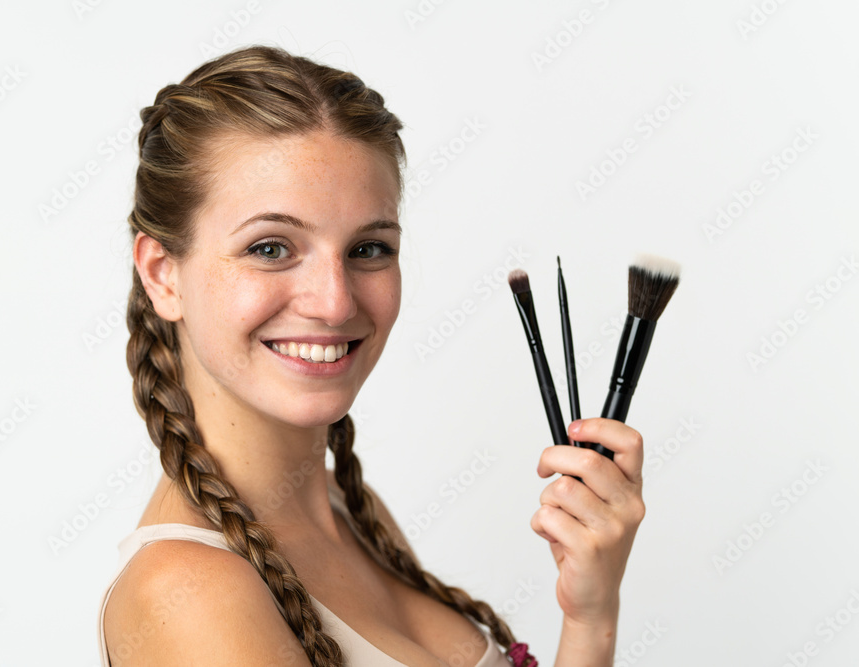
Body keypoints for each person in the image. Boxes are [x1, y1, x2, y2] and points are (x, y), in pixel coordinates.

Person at [97, 44, 645, 667]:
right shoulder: (186, 594)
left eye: (368, 250)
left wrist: (591, 612)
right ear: (163, 275)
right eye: (271, 248)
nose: (334, 303)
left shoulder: (347, 509)